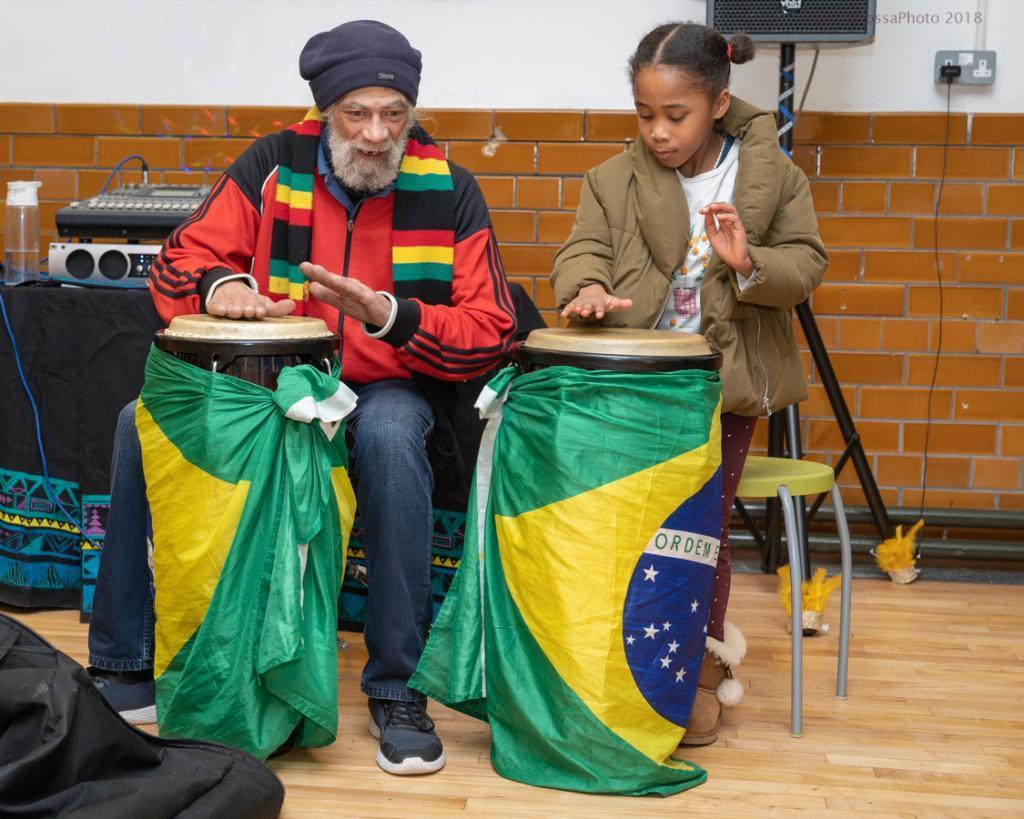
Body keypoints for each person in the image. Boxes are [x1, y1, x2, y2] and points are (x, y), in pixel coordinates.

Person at [88, 19, 516, 775]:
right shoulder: (272, 164)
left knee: (386, 437)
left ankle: (397, 688)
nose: (378, 133)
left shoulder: (449, 188)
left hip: (390, 388)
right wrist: (223, 288)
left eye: (394, 113)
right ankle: (124, 660)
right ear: (326, 111)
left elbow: (490, 330)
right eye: (359, 113)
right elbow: (182, 260)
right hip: (272, 391)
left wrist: (388, 314)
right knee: (139, 420)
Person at [551, 22, 828, 746]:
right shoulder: (612, 179)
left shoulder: (773, 178)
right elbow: (583, 247)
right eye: (645, 115)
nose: (659, 131)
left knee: (699, 527)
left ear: (718, 103)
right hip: (637, 381)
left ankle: (699, 674)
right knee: (625, 520)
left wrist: (747, 262)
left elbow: (805, 266)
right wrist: (585, 285)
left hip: (719, 384)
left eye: (676, 116)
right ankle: (620, 659)